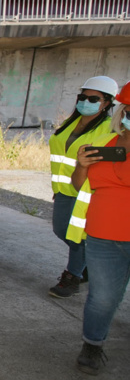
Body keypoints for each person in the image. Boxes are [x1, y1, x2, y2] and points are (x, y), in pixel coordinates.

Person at [66, 80, 130, 375]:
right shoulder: (104, 143)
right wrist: (81, 165)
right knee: (102, 298)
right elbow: (79, 185)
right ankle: (92, 346)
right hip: (103, 236)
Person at [48, 76, 117, 298]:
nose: (86, 101)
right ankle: (85, 265)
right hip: (63, 189)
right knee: (61, 230)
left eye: (93, 99)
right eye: (82, 97)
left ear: (106, 103)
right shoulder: (72, 122)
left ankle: (73, 276)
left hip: (85, 191)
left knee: (77, 236)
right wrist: (57, 186)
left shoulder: (108, 129)